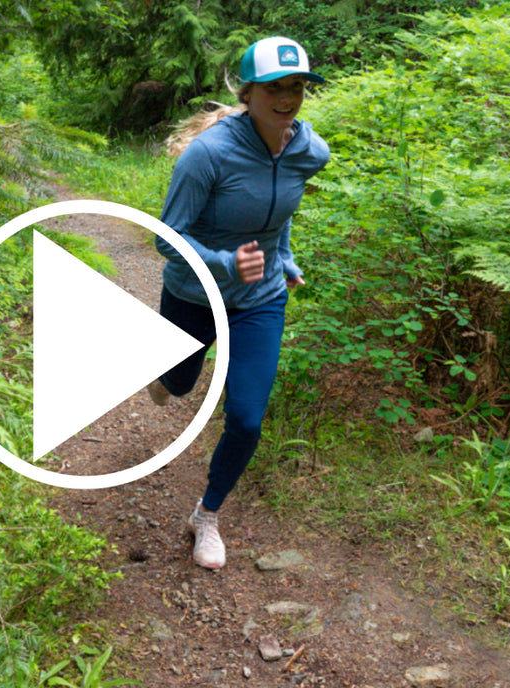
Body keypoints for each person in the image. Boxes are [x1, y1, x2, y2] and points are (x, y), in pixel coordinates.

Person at [147, 36, 330, 569]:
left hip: (260, 299)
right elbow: (165, 238)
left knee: (247, 418)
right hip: (193, 294)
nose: (287, 97)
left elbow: (280, 210)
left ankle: (206, 516)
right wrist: (226, 262)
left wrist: (283, 257)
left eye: (297, 86)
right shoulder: (208, 154)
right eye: (274, 87)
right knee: (179, 383)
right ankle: (164, 377)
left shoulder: (308, 152)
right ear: (247, 92)